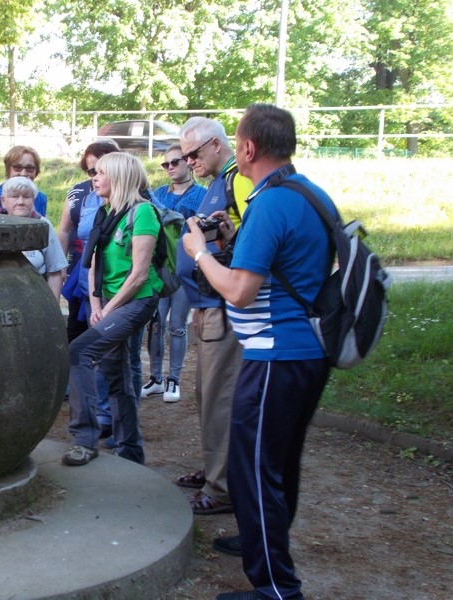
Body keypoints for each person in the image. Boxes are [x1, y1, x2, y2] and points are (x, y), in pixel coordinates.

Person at [182, 104, 335, 600]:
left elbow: (240, 291)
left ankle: (275, 587)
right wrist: (231, 236)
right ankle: (260, 542)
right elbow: (291, 262)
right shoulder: (308, 193)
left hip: (274, 355)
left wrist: (200, 252)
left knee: (253, 467)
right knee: (279, 461)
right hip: (306, 351)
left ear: (247, 148)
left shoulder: (269, 203)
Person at [173, 116, 253, 516]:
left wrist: (223, 238)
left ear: (217, 145)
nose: (188, 161)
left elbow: (254, 240)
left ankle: (221, 488)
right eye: (184, 154)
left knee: (220, 397)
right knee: (208, 395)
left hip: (225, 308)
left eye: (194, 153)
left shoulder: (238, 179)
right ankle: (215, 471)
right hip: (206, 306)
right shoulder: (215, 185)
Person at [63, 152, 161, 467]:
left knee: (79, 351)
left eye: (101, 172)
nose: (95, 177)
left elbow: (140, 274)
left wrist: (109, 309)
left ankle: (84, 440)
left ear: (118, 177)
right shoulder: (105, 211)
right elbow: (91, 262)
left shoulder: (143, 213)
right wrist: (95, 303)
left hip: (137, 300)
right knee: (116, 374)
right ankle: (130, 450)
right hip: (107, 301)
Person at [58, 139, 120, 439]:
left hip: (112, 290)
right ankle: (87, 414)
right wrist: (62, 268)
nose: (94, 175)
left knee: (108, 354)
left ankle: (109, 418)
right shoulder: (80, 193)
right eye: (91, 168)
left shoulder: (130, 201)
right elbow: (66, 230)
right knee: (79, 345)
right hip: (83, 282)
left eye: (101, 169)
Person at [140, 143, 207, 402]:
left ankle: (174, 379)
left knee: (177, 326)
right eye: (165, 164)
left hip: (185, 268)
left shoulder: (201, 194)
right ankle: (156, 378)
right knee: (155, 325)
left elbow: (181, 221)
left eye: (175, 162)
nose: (170, 167)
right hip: (159, 268)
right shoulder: (158, 192)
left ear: (188, 162)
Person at [0, 177, 67, 300]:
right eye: (14, 196)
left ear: (33, 200)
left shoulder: (43, 225)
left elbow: (55, 273)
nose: (21, 201)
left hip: (36, 298)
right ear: (3, 201)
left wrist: (52, 310)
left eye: (26, 197)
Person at [0, 146, 47, 217]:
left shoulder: (41, 198)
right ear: (8, 170)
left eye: (30, 168)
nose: (23, 173)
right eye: (17, 167)